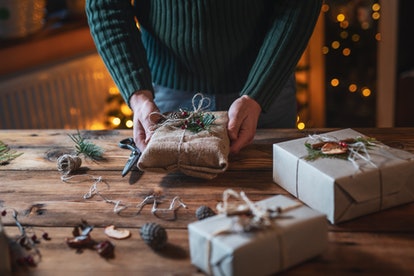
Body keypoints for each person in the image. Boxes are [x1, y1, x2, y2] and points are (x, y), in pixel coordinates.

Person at [86, 0, 322, 154]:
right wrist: (137, 95)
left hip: (267, 89)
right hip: (166, 99)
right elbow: (105, 6)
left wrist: (259, 91)